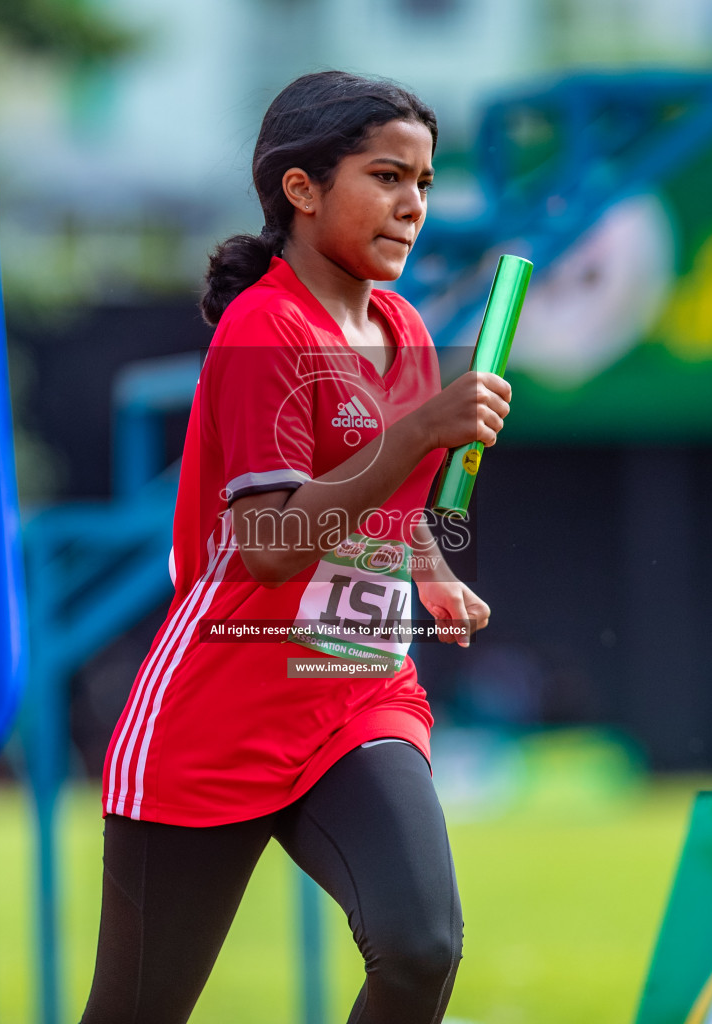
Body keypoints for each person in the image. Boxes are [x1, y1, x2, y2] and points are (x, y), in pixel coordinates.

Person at [79, 70, 512, 1024]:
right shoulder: (262, 329)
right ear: (301, 190)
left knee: (420, 945)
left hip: (357, 693)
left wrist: (431, 573)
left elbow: (387, 511)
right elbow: (271, 545)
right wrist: (416, 433)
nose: (412, 206)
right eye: (387, 177)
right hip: (218, 712)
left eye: (426, 184)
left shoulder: (402, 326)